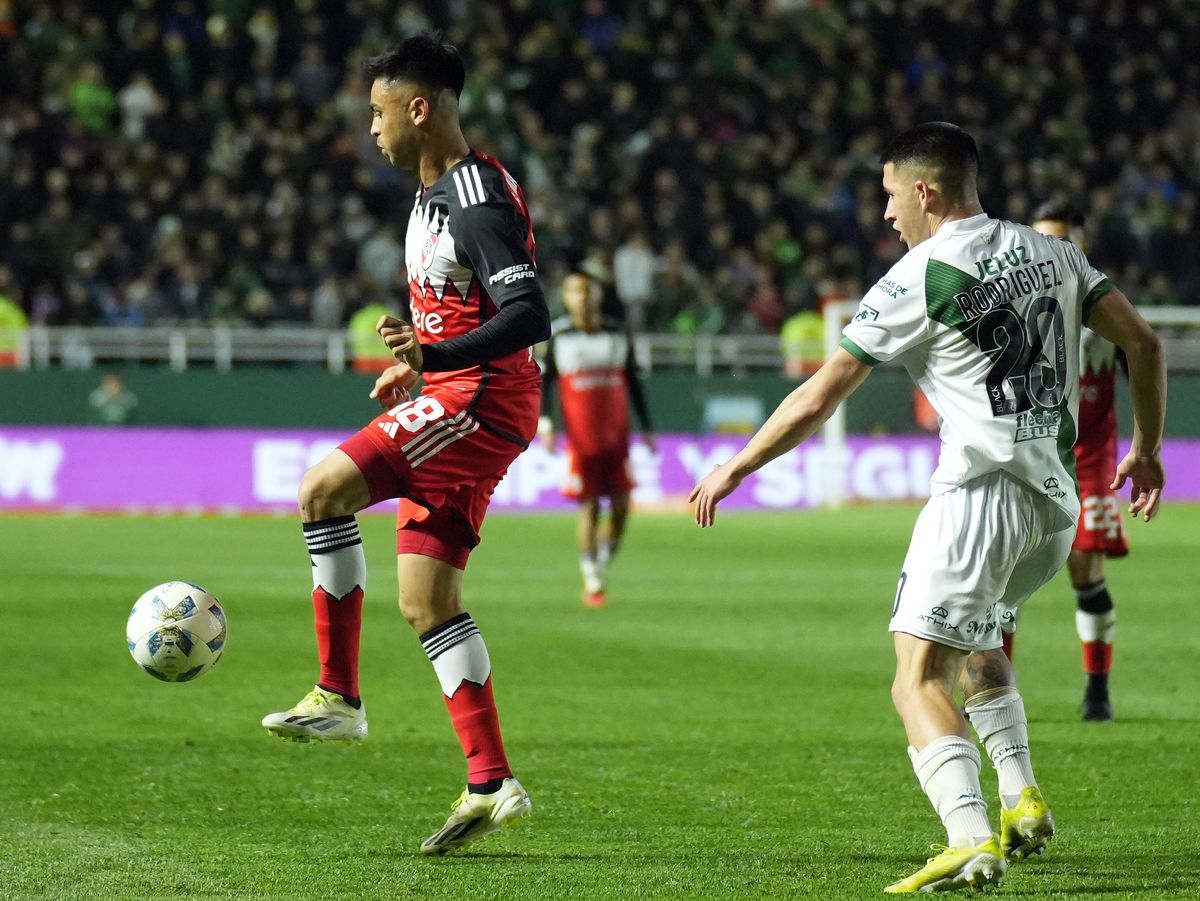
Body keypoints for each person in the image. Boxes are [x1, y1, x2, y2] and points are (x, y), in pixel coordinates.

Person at [690, 122, 1166, 893]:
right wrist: (1145, 448)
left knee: (915, 676)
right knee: (977, 644)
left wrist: (737, 464)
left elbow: (820, 395)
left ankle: (969, 837)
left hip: (980, 495)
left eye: (889, 196)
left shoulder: (919, 277)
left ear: (924, 191)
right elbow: (1144, 345)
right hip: (1054, 505)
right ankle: (1020, 794)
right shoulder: (1057, 253)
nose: (886, 213)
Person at [261, 35, 550, 856]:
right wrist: (421, 366)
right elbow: (462, 306)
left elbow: (528, 314)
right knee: (428, 601)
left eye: (378, 111)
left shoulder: (475, 196)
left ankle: (338, 694)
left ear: (418, 108)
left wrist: (437, 360)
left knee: (321, 490)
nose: (372, 128)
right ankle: (491, 781)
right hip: (461, 394)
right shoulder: (432, 196)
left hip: (481, 399)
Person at [1014, 200, 1126, 721]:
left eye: (1061, 239)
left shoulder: (1104, 307)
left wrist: (1145, 445)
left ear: (1081, 243)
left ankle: (1097, 690)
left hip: (1090, 462)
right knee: (1004, 581)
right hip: (1031, 458)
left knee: (1086, 573)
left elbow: (1144, 358)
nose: (1051, 250)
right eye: (1042, 240)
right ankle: (993, 694)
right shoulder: (1014, 305)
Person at [539, 267, 656, 607]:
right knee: (588, 505)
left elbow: (633, 381)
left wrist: (648, 427)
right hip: (582, 440)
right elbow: (546, 384)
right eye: (576, 291)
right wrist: (546, 424)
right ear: (566, 298)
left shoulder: (618, 334)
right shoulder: (560, 337)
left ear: (599, 295)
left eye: (588, 291)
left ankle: (601, 559)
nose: (583, 298)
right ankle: (591, 577)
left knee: (621, 508)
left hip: (617, 438)